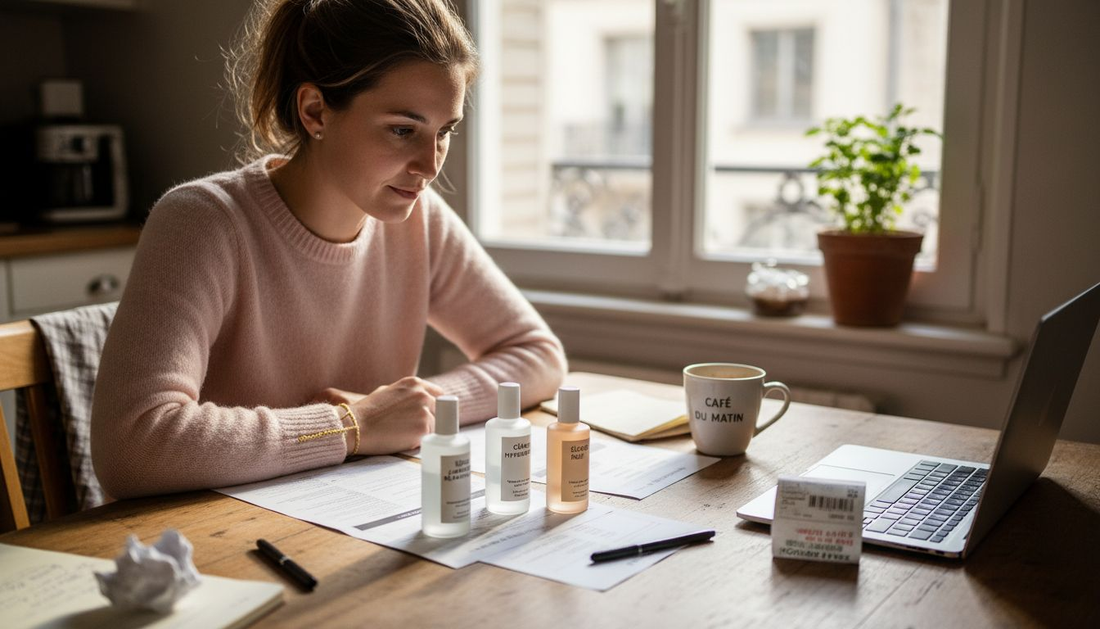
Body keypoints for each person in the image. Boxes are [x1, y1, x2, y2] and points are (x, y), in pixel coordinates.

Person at [90, 0, 567, 499]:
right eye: (403, 130)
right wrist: (351, 426)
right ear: (315, 111)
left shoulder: (420, 220)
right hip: (214, 532)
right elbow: (131, 446)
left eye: (443, 131)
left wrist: (416, 408)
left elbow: (537, 354)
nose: (429, 166)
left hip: (346, 518)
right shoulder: (202, 222)